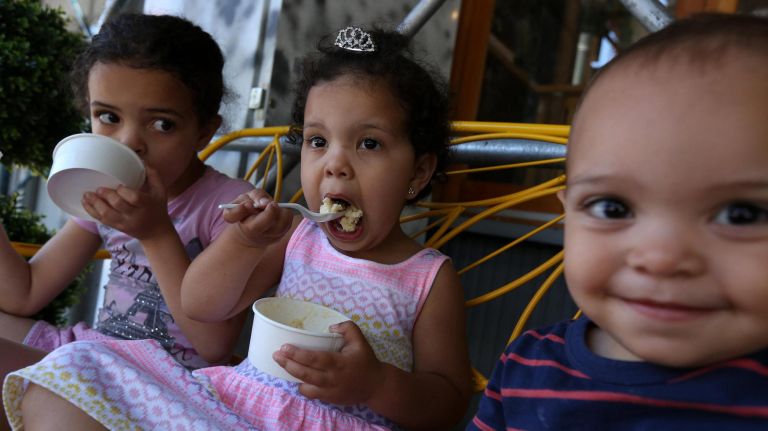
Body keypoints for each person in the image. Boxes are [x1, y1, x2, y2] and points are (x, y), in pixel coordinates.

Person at [4, 26, 472, 430]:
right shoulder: (295, 237)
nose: (335, 165)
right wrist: (244, 242)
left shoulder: (426, 277)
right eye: (316, 141)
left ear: (418, 172)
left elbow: (449, 403)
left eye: (369, 143)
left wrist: (375, 383)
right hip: (233, 411)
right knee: (70, 370)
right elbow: (201, 304)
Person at [467, 13, 768, 431]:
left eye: (741, 215)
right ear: (566, 212)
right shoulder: (526, 364)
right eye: (612, 208)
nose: (660, 258)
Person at [0, 12, 254, 428]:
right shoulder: (105, 193)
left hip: (170, 385)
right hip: (96, 354)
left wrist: (155, 233)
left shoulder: (231, 207)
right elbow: (25, 293)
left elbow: (212, 346)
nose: (128, 142)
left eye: (161, 124)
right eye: (108, 117)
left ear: (205, 131)